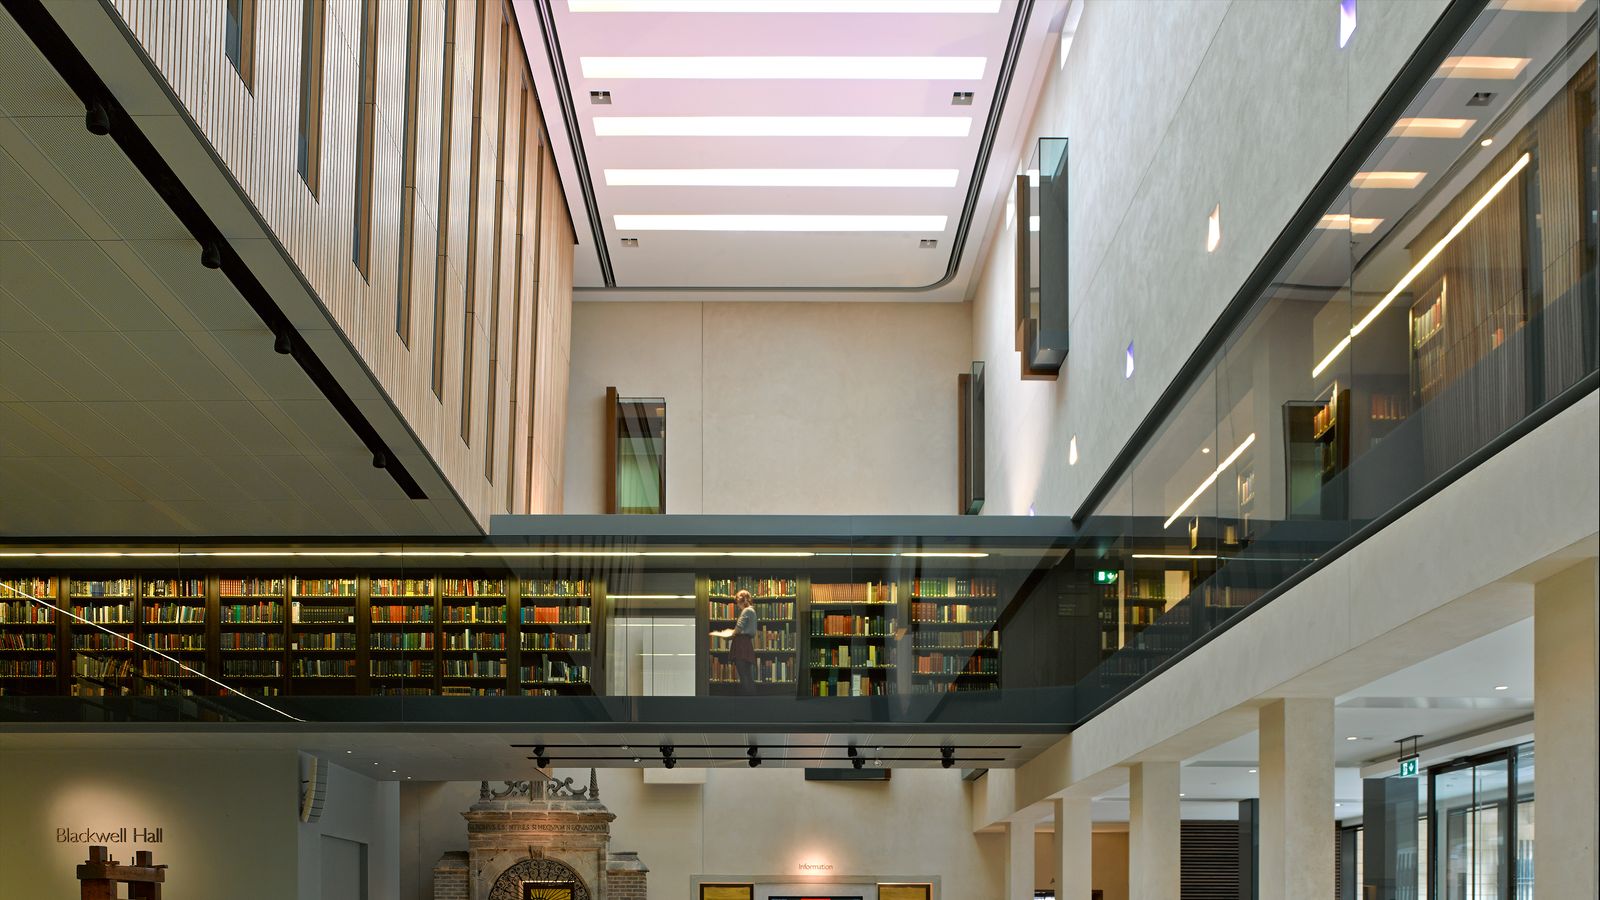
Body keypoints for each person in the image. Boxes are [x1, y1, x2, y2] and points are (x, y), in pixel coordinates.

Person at [729, 590, 758, 695]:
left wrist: (728, 634)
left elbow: (738, 629)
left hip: (741, 644)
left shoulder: (746, 611)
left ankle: (747, 700)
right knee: (748, 675)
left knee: (743, 675)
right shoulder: (752, 611)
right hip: (746, 644)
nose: (738, 606)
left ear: (742, 601)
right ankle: (752, 701)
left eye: (738, 602)